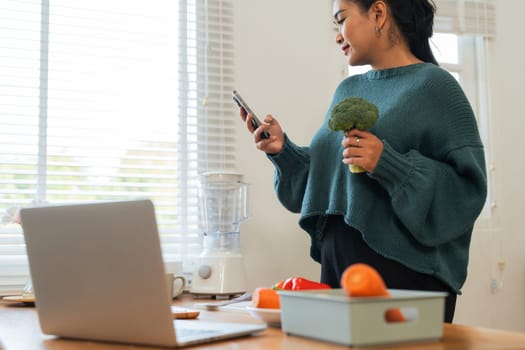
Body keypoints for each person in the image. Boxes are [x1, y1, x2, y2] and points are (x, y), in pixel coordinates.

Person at [239, 0, 487, 323]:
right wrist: (282, 150)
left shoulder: (436, 88)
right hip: (338, 278)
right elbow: (321, 187)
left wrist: (389, 164)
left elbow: (467, 192)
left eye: (341, 20)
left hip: (407, 284)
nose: (337, 35)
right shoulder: (347, 90)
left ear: (379, 13)